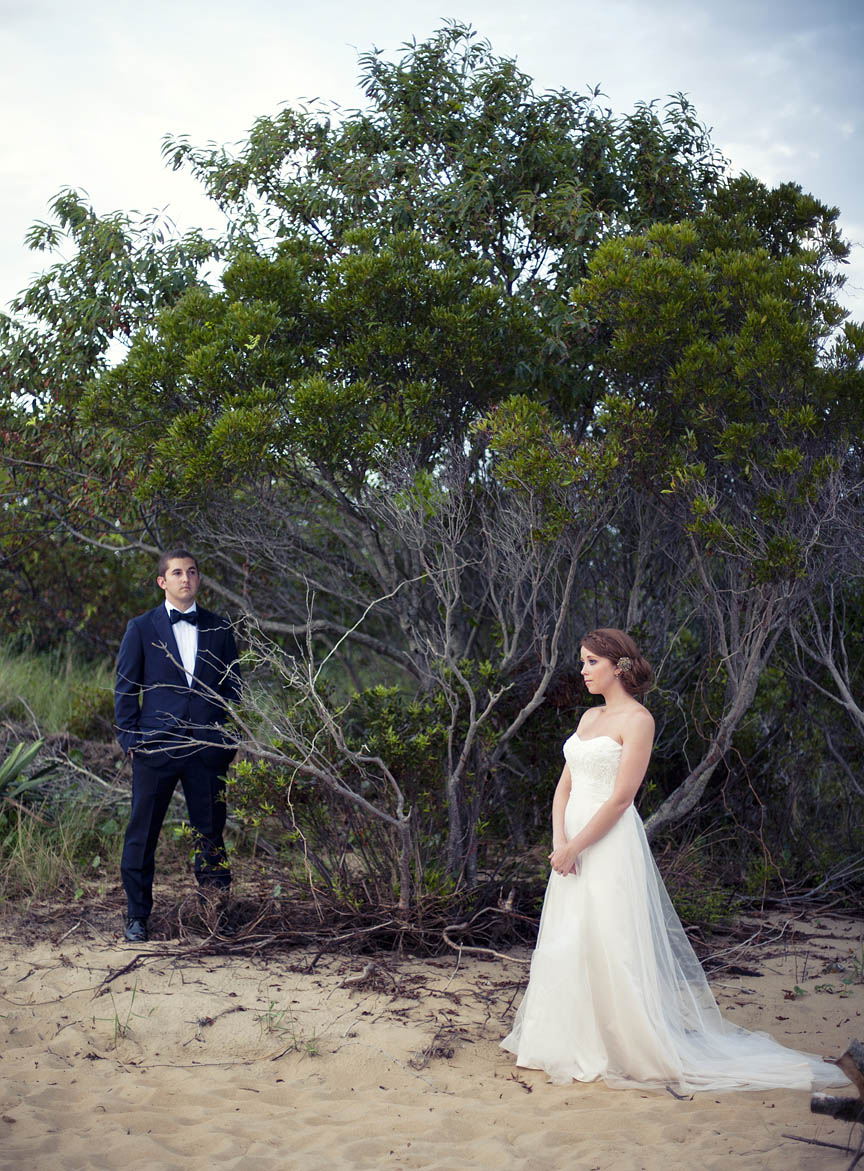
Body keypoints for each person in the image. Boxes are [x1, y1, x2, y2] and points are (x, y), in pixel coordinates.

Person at [501, 627, 850, 1093]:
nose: (582, 670)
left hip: (605, 842)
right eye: (582, 662)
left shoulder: (638, 720)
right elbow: (564, 787)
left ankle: (625, 1045)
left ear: (618, 667)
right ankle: (563, 1038)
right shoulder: (587, 720)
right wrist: (557, 842)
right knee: (570, 936)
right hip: (570, 845)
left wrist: (576, 846)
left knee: (611, 938)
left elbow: (622, 799)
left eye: (591, 662)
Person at [114, 549, 241, 942]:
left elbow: (235, 691)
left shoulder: (220, 628)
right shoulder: (141, 627)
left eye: (191, 572)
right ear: (162, 582)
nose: (185, 578)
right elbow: (125, 689)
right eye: (176, 573)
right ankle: (137, 917)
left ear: (198, 579)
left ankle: (215, 913)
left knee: (211, 832)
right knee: (142, 834)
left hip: (207, 750)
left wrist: (228, 740)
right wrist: (131, 741)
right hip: (155, 749)